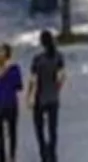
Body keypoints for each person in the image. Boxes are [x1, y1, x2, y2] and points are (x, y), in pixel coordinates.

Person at [25, 30, 64, 162]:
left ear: (42, 43)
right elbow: (61, 77)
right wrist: (57, 89)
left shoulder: (37, 60)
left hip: (40, 99)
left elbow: (33, 80)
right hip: (53, 98)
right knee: (53, 129)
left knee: (40, 129)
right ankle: (53, 154)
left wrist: (29, 96)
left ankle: (43, 153)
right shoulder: (58, 57)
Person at [0, 43, 20, 162]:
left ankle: (2, 157)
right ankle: (12, 156)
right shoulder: (14, 68)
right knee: (12, 131)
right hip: (12, 103)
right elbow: (18, 86)